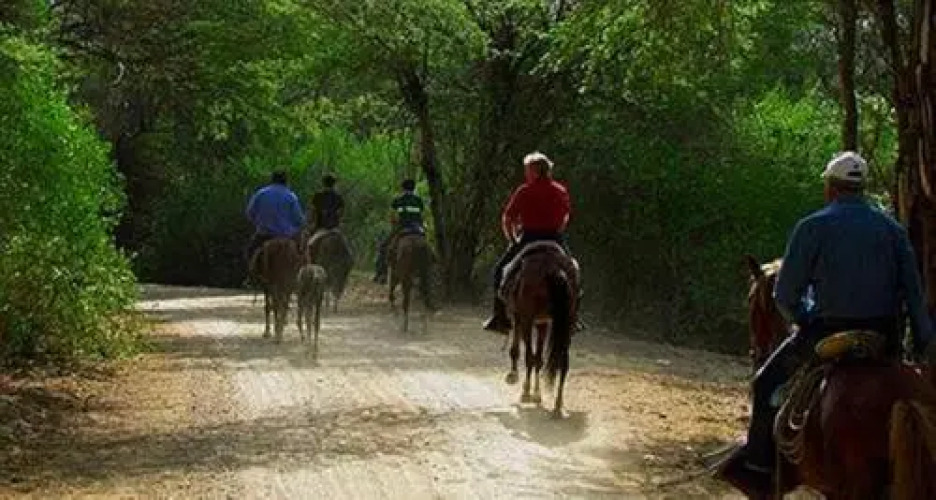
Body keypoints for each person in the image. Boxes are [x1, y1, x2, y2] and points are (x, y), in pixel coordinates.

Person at [715, 151, 936, 492]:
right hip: (883, 337)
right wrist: (923, 344)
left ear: (830, 188)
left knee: (766, 383)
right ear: (862, 189)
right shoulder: (893, 230)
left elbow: (784, 296)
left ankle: (758, 466)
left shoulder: (812, 227)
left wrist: (803, 320)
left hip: (826, 332)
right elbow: (914, 295)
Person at [483, 152, 582, 334]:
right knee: (573, 272)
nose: (526, 174)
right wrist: (557, 229)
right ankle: (573, 318)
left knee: (500, 270)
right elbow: (566, 216)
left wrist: (513, 239)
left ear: (534, 171)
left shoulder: (524, 191)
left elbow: (507, 218)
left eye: (527, 170)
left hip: (529, 237)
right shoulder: (560, 190)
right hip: (554, 238)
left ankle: (499, 317)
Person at [244, 170, 306, 273]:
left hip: (264, 235)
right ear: (286, 181)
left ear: (272, 180)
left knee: (250, 252)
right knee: (302, 255)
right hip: (287, 236)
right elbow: (299, 220)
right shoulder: (291, 196)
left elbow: (249, 213)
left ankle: (251, 276)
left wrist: (259, 223)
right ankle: (300, 276)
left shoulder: (261, 193)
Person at [374, 179, 425, 284]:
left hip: (402, 227)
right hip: (417, 229)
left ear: (403, 188)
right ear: (414, 188)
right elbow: (421, 215)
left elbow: (392, 216)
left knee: (383, 247)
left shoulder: (398, 199)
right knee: (428, 249)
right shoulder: (419, 200)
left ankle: (382, 274)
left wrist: (394, 223)